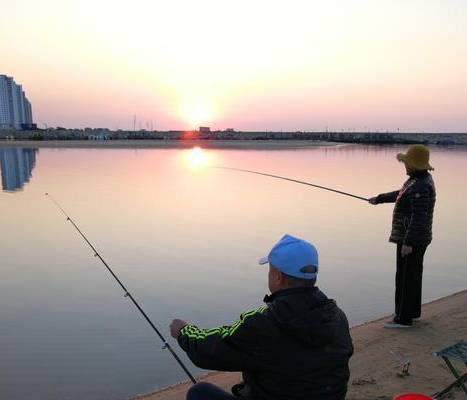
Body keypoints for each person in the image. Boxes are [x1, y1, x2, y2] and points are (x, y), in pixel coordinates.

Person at [169, 234, 354, 400]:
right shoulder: (337, 316)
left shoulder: (265, 323)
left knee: (199, 392)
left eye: (270, 270)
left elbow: (208, 351)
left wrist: (184, 331)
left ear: (279, 277)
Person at [369, 144, 436, 329]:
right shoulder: (419, 180)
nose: (405, 166)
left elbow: (419, 216)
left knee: (405, 279)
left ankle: (403, 319)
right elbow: (400, 194)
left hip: (411, 239)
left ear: (416, 164)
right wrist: (379, 198)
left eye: (408, 162)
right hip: (415, 238)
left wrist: (408, 242)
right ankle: (412, 313)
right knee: (412, 276)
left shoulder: (420, 184)